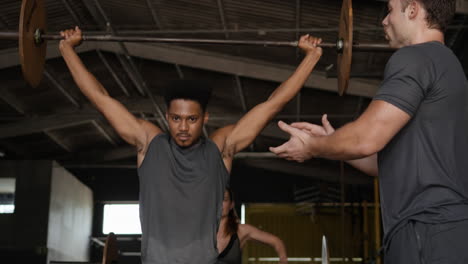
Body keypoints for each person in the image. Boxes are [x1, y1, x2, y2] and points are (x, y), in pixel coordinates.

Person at [59, 27, 322, 264]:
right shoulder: (148, 141)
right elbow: (99, 97)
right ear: (167, 117)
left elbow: (272, 104)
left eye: (192, 119)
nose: (183, 127)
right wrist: (66, 49)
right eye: (176, 119)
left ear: (205, 118)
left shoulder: (221, 148)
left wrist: (311, 58)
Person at [270, 0, 468, 263]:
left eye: (390, 10)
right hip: (442, 230)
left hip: (426, 226)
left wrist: (311, 146)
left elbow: (366, 138)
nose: (384, 21)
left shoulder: (415, 57)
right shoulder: (448, 65)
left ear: (412, 10)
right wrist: (329, 142)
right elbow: (383, 161)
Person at [217, 188, 287, 264]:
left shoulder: (241, 230)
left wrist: (283, 260)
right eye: (217, 199)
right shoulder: (204, 232)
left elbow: (276, 241)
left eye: (224, 199)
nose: (220, 203)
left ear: (231, 205)